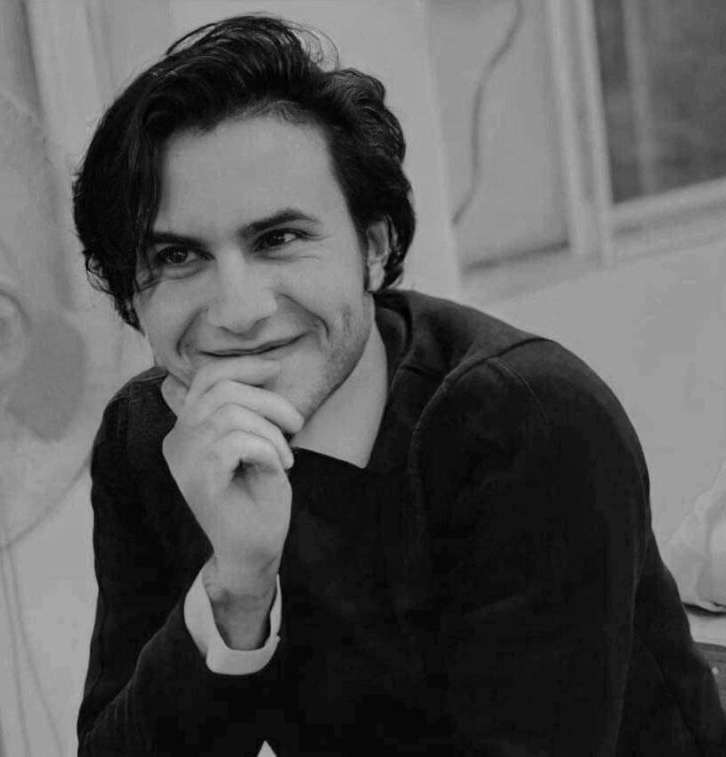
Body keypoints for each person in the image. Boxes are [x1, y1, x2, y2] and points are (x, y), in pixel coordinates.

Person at [72, 14, 726, 756]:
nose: (239, 310)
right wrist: (238, 587)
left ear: (375, 247)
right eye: (178, 257)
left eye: (279, 239)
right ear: (132, 295)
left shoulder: (527, 423)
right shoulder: (150, 439)